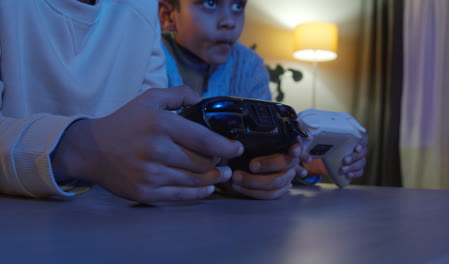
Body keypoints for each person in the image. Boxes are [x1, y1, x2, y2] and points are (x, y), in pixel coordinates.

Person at [0, 0, 244, 203]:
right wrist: (80, 149)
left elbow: (154, 144)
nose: (228, 22)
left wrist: (230, 169)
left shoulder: (142, 8)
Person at [158, 0, 368, 196]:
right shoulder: (150, 60)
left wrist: (303, 163)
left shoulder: (250, 65)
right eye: (210, 3)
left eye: (238, 5)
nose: (229, 22)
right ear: (167, 15)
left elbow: (264, 149)